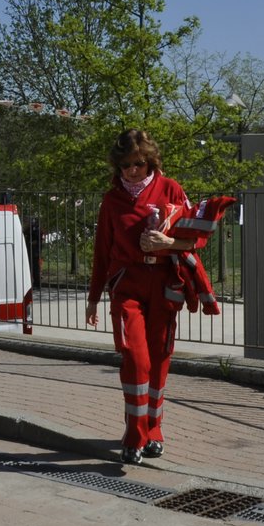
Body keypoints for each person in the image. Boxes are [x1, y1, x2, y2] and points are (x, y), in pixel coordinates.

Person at [84, 128, 223, 466]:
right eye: (126, 165)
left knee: (159, 359)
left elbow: (196, 239)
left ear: (151, 161)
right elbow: (102, 251)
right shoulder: (112, 199)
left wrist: (167, 244)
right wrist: (93, 298)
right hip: (127, 286)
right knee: (135, 358)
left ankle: (154, 429)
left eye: (139, 164)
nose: (132, 171)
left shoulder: (171, 189)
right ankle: (133, 435)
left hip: (163, 284)